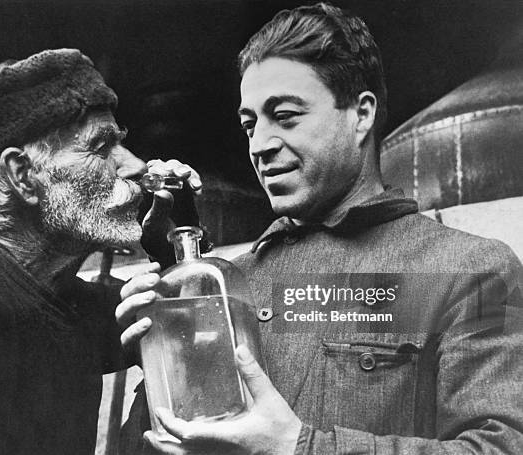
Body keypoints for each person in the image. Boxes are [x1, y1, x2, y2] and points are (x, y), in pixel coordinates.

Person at [118, 3, 523, 454]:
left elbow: (502, 447)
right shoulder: (231, 284)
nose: (260, 145)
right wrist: (166, 369)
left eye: (286, 116)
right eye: (249, 125)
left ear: (361, 114)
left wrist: (299, 446)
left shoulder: (471, 271)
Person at [0, 48, 203, 454]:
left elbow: (197, 341)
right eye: (100, 148)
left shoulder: (73, 301)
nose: (135, 165)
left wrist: (172, 240)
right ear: (23, 176)